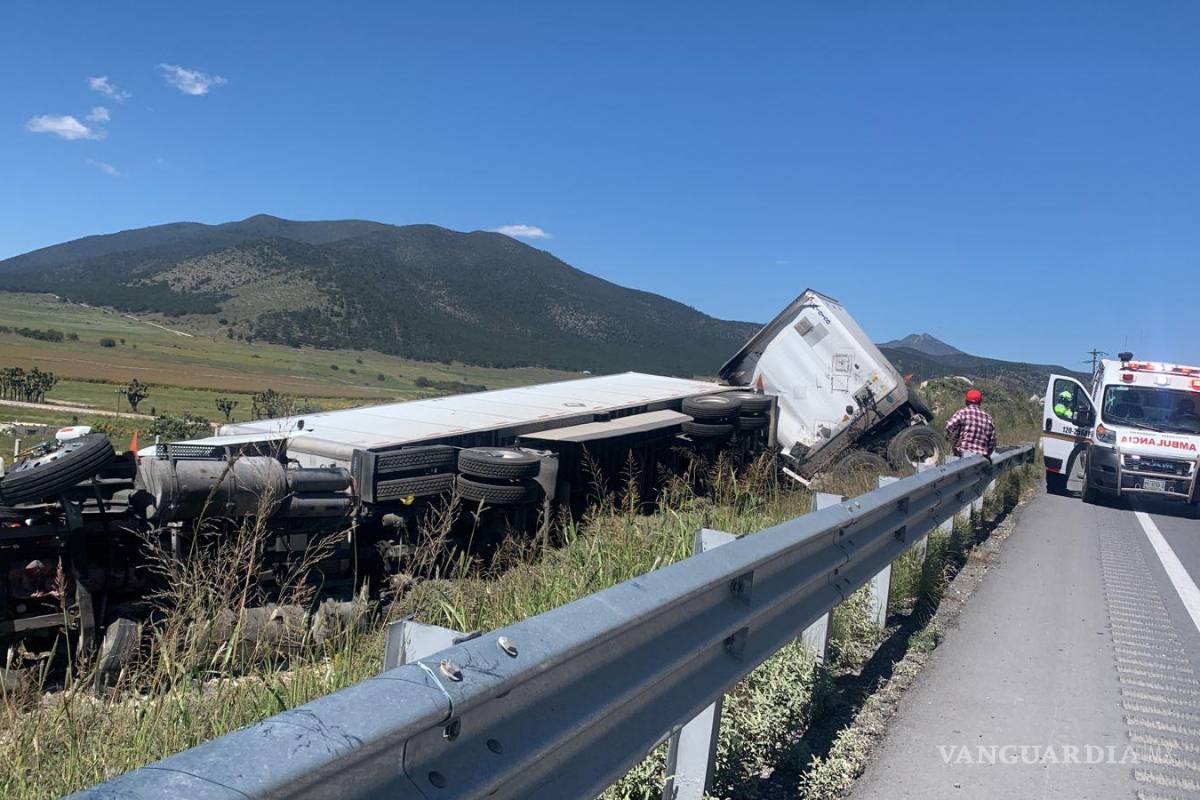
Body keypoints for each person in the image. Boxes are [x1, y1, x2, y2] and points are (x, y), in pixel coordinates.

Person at [945, 388, 997, 458]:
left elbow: (949, 426)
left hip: (964, 454)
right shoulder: (988, 418)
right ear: (980, 402)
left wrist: (953, 441)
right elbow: (992, 442)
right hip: (981, 457)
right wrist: (987, 454)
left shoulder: (962, 413)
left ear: (966, 401)